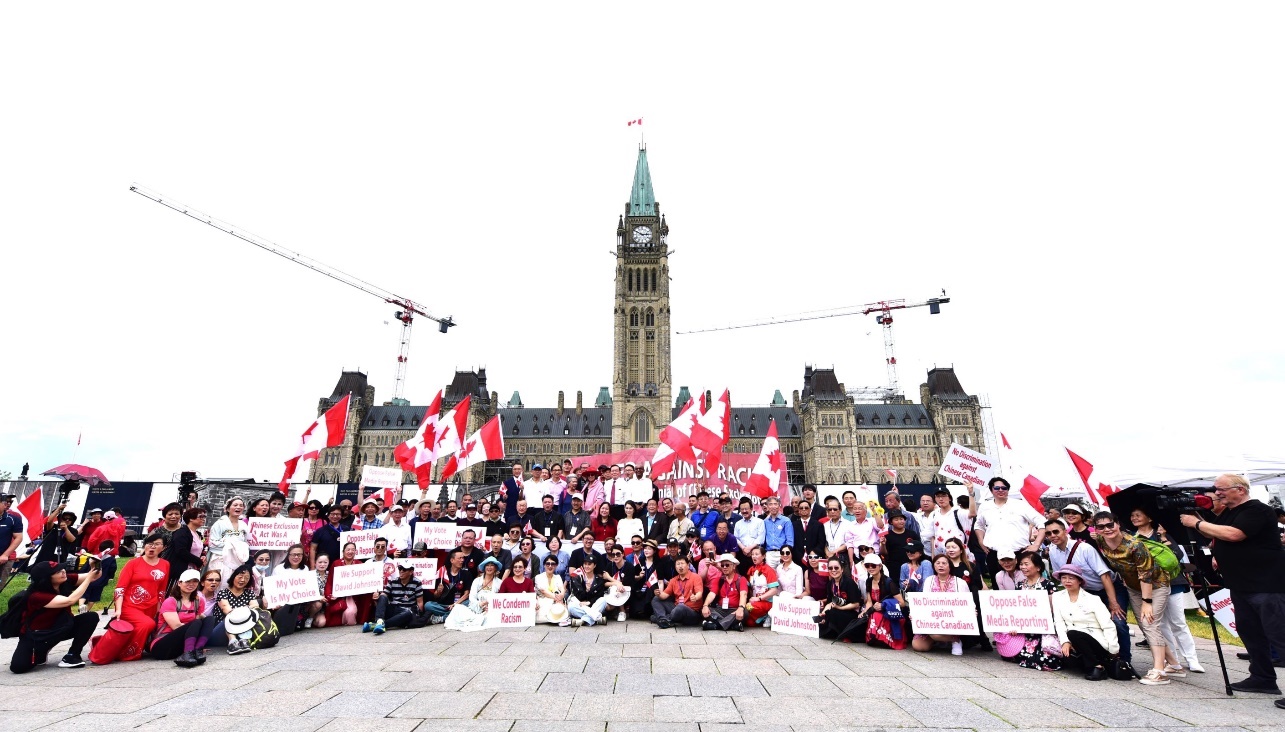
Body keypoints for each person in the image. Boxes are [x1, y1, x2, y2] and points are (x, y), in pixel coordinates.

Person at [1180, 474, 1285, 702]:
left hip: (1266, 585)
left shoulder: (1257, 510)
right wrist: (1195, 516)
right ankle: (1262, 678)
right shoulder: (1228, 513)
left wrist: (1196, 523)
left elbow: (1235, 535)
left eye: (1221, 489)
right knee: (1251, 634)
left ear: (1240, 489)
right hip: (1241, 584)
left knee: (1280, 635)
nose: (1216, 493)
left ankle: (1264, 676)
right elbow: (1213, 533)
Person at [1093, 511, 1182, 685]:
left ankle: (1159, 671)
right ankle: (1174, 664)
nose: (1107, 529)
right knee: (1145, 624)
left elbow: (1146, 574)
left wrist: (1147, 602)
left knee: (1150, 623)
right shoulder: (1102, 541)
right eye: (1101, 526)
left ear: (1118, 524)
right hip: (1134, 587)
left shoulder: (1135, 545)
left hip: (1156, 584)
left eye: (1110, 525)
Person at [1045, 518, 1130, 665]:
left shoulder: (1084, 548)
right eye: (1048, 533)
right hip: (1086, 591)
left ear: (1065, 531)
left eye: (1056, 531)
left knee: (1118, 621)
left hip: (1110, 586)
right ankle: (1099, 657)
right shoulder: (1052, 551)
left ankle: (1124, 661)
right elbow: (1062, 576)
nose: (1053, 535)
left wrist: (1113, 602)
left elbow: (1104, 575)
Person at [1130, 507, 1202, 673]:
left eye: (1138, 515)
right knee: (1159, 625)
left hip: (1172, 583)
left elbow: (1176, 555)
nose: (1135, 518)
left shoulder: (1161, 534)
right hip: (1149, 587)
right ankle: (1173, 660)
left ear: (1149, 518)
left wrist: (1163, 538)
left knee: (1178, 621)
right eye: (1132, 516)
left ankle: (1192, 659)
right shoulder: (1132, 538)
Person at [9, 560, 101, 673]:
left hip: (62, 628)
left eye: (62, 569)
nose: (63, 572)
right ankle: (41, 651)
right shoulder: (36, 596)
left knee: (90, 617)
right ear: (46, 578)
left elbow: (95, 576)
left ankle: (72, 655)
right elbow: (69, 601)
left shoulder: (65, 580)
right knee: (18, 667)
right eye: (57, 572)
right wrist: (88, 579)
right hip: (38, 635)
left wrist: (95, 565)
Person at [1051, 564, 1123, 681]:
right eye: (1064, 578)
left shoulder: (1093, 599)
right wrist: (1065, 642)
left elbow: (1108, 625)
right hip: (1074, 641)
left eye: (1071, 578)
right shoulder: (1057, 596)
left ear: (1079, 580)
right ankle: (1093, 664)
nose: (1067, 581)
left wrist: (1113, 650)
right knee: (1067, 658)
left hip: (1095, 640)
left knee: (1074, 633)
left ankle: (1097, 667)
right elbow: (1059, 622)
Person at [111, 533, 171, 662]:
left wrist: (159, 611)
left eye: (157, 544)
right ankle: (129, 653)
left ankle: (120, 649)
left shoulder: (165, 564)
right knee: (146, 624)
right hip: (129, 606)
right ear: (144, 545)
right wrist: (118, 609)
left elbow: (161, 591)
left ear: (164, 548)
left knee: (144, 625)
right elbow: (120, 587)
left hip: (150, 607)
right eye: (150, 544)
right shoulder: (133, 563)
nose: (152, 547)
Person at [975, 477, 1045, 582]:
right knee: (998, 586)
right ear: (991, 490)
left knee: (1025, 585)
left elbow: (1042, 522)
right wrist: (981, 541)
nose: (1000, 490)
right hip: (995, 554)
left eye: (1004, 488)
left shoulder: (1019, 505)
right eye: (997, 488)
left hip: (1019, 553)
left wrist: (1036, 544)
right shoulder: (985, 506)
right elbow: (979, 525)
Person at [149, 569, 219, 667]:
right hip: (162, 646)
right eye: (187, 581)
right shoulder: (170, 601)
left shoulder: (198, 601)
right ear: (179, 583)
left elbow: (199, 623)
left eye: (194, 581)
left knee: (210, 619)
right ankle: (188, 653)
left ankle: (197, 650)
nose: (191, 584)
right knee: (196, 622)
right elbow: (176, 626)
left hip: (181, 645)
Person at [912, 555, 970, 655]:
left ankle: (955, 640)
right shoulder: (929, 580)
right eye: (938, 563)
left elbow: (967, 602)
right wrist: (916, 614)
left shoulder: (960, 582)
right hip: (933, 619)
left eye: (944, 563)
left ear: (949, 566)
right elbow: (924, 602)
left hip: (953, 620)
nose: (941, 566)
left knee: (936, 634)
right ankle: (939, 641)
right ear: (934, 566)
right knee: (918, 646)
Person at [363, 560, 424, 634]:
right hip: (394, 608)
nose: (401, 571)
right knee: (382, 597)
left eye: (404, 569)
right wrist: (376, 597)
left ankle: (379, 625)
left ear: (411, 572)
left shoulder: (417, 582)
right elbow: (384, 595)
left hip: (407, 610)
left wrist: (417, 616)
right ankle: (379, 621)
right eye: (400, 568)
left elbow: (420, 602)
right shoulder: (393, 581)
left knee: (408, 613)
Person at [862, 552, 907, 649]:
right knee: (870, 615)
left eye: (873, 565)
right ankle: (875, 638)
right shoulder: (868, 581)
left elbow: (902, 603)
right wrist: (864, 611)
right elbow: (869, 601)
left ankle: (883, 639)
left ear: (880, 566)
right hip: (875, 610)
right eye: (867, 565)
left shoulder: (888, 582)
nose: (870, 568)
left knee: (875, 615)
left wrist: (884, 606)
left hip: (889, 612)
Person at [213, 564, 261, 654]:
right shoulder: (223, 592)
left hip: (243, 626)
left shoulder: (249, 593)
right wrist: (246, 608)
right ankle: (232, 642)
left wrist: (243, 610)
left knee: (248, 616)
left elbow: (255, 607)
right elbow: (227, 610)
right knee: (232, 617)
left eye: (246, 578)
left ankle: (244, 640)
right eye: (240, 577)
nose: (243, 580)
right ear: (234, 577)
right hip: (221, 629)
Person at [446, 556, 502, 630]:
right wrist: (480, 604)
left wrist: (491, 607)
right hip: (475, 609)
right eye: (487, 565)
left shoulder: (500, 582)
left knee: (489, 618)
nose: (489, 567)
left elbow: (500, 599)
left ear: (495, 568)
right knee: (457, 608)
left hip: (490, 611)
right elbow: (472, 598)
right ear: (484, 568)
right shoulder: (476, 581)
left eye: (492, 565)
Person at [816, 557, 865, 641]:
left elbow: (856, 604)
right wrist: (823, 613)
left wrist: (840, 608)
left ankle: (848, 635)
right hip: (838, 610)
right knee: (823, 617)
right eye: (830, 568)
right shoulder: (830, 584)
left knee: (833, 613)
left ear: (842, 569)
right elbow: (830, 602)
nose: (833, 570)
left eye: (836, 568)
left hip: (852, 613)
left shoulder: (849, 582)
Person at [651, 555, 704, 628]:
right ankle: (663, 619)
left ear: (688, 565)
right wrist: (658, 594)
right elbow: (664, 596)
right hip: (676, 608)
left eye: (682, 563)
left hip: (692, 612)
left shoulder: (696, 577)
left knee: (680, 608)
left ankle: (663, 619)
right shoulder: (673, 580)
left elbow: (699, 593)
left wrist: (695, 597)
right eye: (678, 564)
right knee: (656, 599)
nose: (680, 566)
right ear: (675, 567)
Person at [208, 497, 251, 583]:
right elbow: (212, 543)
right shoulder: (220, 523)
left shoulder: (243, 525)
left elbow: (246, 541)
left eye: (241, 505)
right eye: (235, 505)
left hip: (238, 558)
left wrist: (241, 547)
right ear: (228, 508)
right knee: (220, 581)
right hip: (221, 558)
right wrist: (230, 545)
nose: (238, 507)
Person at [701, 553, 748, 632]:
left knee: (744, 612)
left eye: (727, 565)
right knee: (705, 610)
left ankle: (716, 625)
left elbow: (744, 594)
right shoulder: (719, 579)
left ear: (734, 566)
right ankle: (732, 625)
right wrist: (705, 605)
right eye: (722, 565)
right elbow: (712, 594)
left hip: (734, 610)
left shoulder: (741, 579)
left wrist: (740, 608)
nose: (724, 567)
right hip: (720, 610)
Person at [162, 507, 207, 577]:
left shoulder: (198, 534)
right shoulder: (182, 533)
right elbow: (181, 551)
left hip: (193, 569)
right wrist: (198, 561)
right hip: (180, 569)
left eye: (204, 516)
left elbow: (199, 549)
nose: (203, 519)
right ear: (191, 519)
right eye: (200, 516)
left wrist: (203, 555)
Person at [567, 557, 609, 626]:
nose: (586, 566)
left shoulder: (599, 580)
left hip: (593, 605)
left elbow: (599, 596)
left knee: (603, 600)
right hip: (581, 604)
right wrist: (586, 589)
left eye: (589, 564)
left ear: (594, 565)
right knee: (571, 606)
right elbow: (578, 595)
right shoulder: (577, 578)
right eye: (585, 564)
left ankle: (582, 621)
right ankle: (597, 618)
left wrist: (589, 602)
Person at [745, 546, 780, 627]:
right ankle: (762, 617)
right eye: (752, 554)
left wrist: (759, 598)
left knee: (750, 606)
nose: (754, 556)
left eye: (757, 554)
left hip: (767, 602)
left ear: (764, 556)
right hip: (755, 601)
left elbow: (774, 590)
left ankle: (768, 614)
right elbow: (750, 588)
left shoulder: (769, 570)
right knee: (749, 623)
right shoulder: (751, 569)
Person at [535, 555, 569, 625]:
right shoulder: (538, 577)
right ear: (544, 565)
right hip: (543, 600)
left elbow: (562, 589)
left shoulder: (558, 577)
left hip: (555, 601)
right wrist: (557, 598)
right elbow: (543, 591)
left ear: (556, 565)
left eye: (553, 564)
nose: (550, 566)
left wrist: (561, 596)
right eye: (548, 564)